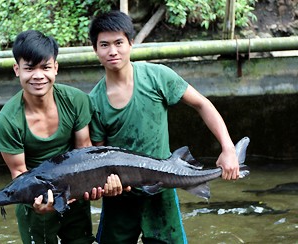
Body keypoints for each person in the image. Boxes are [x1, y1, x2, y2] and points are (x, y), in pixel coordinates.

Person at [88, 11, 240, 244]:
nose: (113, 51)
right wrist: (106, 185)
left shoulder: (157, 76)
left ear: (131, 43)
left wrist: (228, 148)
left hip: (163, 187)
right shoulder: (94, 101)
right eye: (104, 45)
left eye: (119, 43)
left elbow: (202, 104)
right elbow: (99, 157)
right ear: (95, 50)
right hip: (120, 196)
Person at [0, 30, 117, 244]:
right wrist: (38, 205)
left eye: (45, 67)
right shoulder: (7, 121)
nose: (38, 76)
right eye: (29, 68)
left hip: (74, 195)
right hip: (35, 202)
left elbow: (84, 153)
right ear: (17, 70)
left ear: (55, 68)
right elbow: (20, 173)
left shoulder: (75, 100)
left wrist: (95, 187)